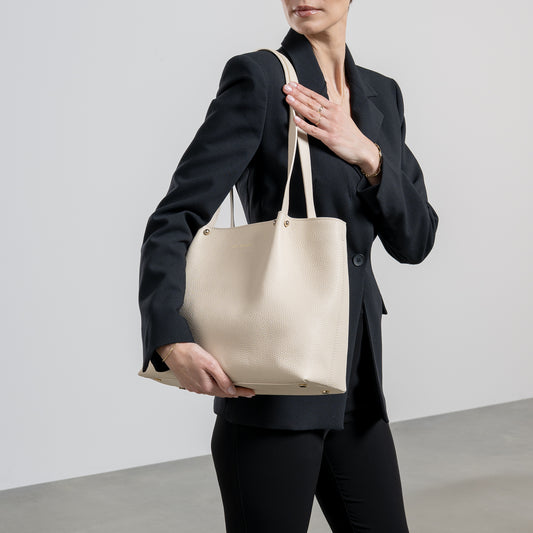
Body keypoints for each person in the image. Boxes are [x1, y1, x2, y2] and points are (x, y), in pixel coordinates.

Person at [138, 1, 439, 531]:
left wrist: (369, 156)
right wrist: (169, 338)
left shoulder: (382, 94)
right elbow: (176, 215)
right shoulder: (259, 78)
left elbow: (416, 240)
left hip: (356, 387)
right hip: (271, 386)